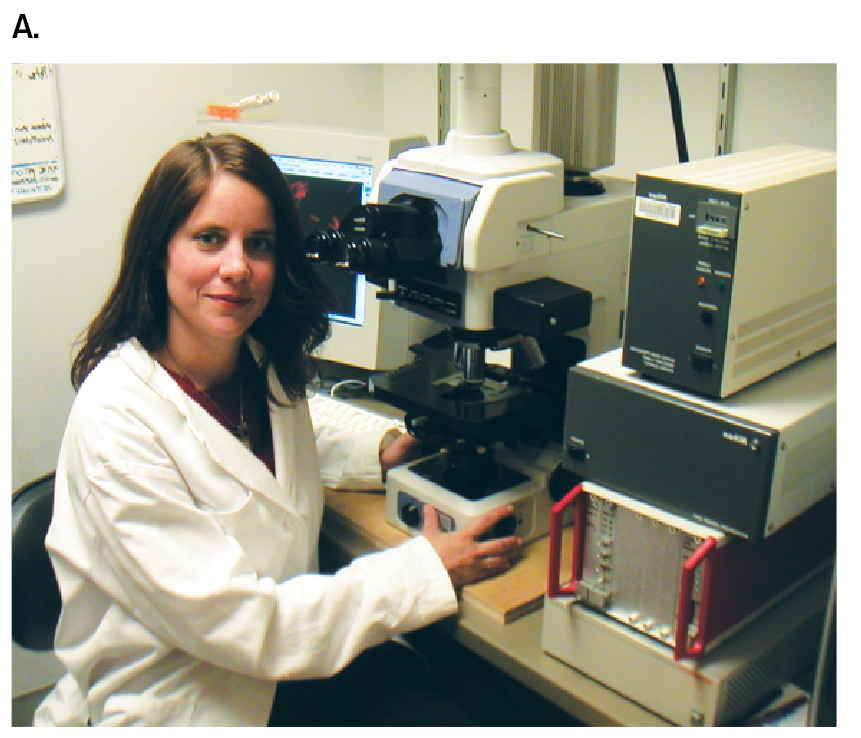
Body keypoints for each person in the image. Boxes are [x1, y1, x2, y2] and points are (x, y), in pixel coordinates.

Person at [34, 134, 521, 727]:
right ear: (159, 251)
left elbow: (244, 452)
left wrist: (381, 455)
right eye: (209, 239)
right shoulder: (115, 418)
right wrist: (423, 569)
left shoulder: (257, 363)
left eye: (258, 244)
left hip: (277, 674)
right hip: (184, 704)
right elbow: (249, 625)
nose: (236, 268)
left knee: (449, 703)